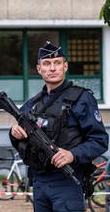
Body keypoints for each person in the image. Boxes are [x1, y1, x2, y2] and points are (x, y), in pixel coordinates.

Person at [9, 41, 109, 212]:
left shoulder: (82, 99)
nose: (52, 68)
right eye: (47, 64)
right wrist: (14, 133)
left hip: (68, 182)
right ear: (39, 69)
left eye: (57, 63)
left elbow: (100, 140)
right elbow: (22, 141)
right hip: (39, 183)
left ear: (65, 66)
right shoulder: (32, 104)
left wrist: (72, 154)